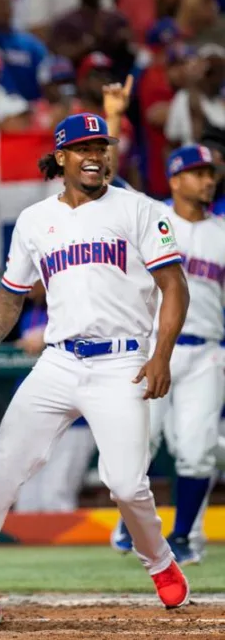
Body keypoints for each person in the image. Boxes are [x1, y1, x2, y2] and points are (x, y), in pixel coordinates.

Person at [0, 113, 192, 619]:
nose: (94, 155)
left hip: (122, 360)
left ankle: (160, 560)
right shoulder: (37, 220)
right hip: (59, 363)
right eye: (82, 147)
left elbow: (175, 287)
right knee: (0, 470)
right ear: (61, 157)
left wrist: (160, 355)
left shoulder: (140, 209)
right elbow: (11, 297)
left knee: (127, 484)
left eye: (100, 146)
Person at [110, 144, 225, 566]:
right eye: (197, 173)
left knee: (197, 449)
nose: (207, 180)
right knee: (136, 441)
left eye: (210, 173)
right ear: (175, 180)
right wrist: (116, 118)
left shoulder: (222, 232)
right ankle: (132, 522)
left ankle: (181, 536)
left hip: (206, 350)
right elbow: (108, 177)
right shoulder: (151, 217)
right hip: (150, 345)